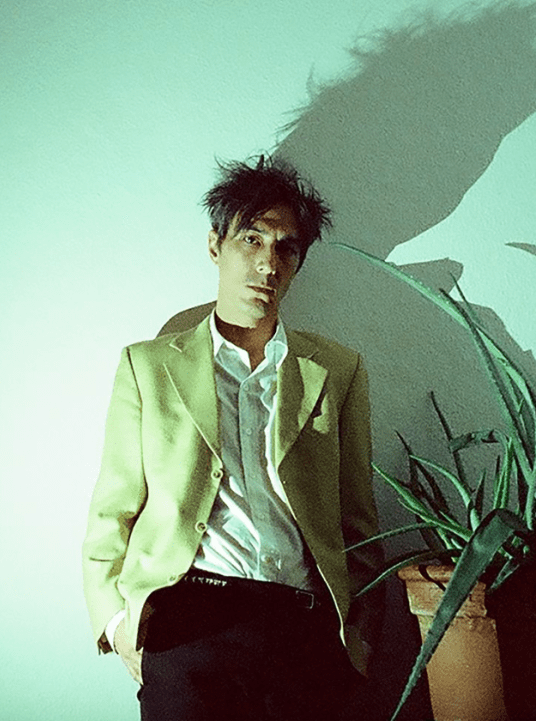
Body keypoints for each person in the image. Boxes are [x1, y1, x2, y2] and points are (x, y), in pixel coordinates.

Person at [82, 155, 382, 720]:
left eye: (287, 249)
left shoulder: (336, 370)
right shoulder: (148, 367)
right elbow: (112, 509)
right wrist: (118, 624)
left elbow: (358, 521)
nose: (268, 263)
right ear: (215, 245)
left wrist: (356, 641)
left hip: (303, 629)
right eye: (252, 239)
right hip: (188, 619)